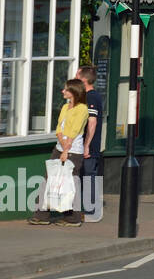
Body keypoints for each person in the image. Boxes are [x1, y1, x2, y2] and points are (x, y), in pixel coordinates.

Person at [29, 80, 89, 226]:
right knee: (48, 180)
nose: (63, 91)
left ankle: (73, 218)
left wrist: (66, 151)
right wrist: (62, 146)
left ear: (74, 92)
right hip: (59, 148)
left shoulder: (82, 109)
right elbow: (59, 129)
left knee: (69, 184)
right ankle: (42, 215)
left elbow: (74, 131)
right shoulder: (64, 107)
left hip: (73, 151)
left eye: (66, 89)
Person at [78, 65, 105, 223]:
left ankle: (91, 211)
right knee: (85, 177)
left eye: (77, 75)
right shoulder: (87, 96)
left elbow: (92, 122)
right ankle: (86, 209)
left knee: (89, 176)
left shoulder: (91, 97)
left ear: (84, 79)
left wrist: (87, 145)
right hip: (84, 145)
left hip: (89, 146)